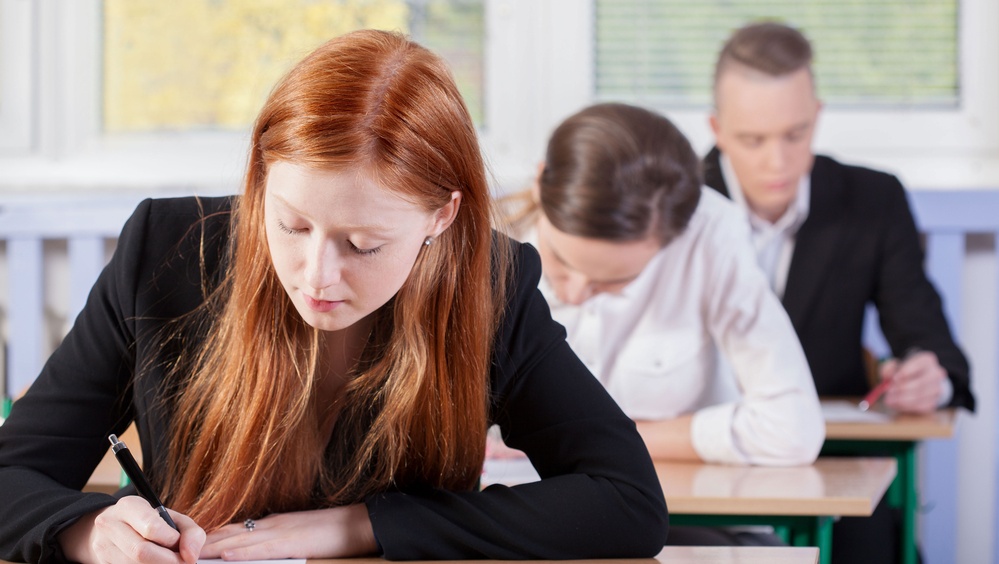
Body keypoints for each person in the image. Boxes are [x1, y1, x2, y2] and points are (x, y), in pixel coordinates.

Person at [0, 31, 668, 563]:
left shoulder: (490, 285)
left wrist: (356, 528)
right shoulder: (167, 250)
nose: (316, 275)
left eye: (363, 245)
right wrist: (90, 533)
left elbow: (627, 501)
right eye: (292, 225)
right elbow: (11, 476)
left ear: (441, 215)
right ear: (261, 180)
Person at [702, 21, 976, 563]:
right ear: (717, 129)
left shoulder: (873, 200)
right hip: (704, 458)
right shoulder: (671, 203)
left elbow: (932, 343)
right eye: (753, 140)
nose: (777, 162)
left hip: (831, 463)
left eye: (795, 134)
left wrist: (930, 377)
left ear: (818, 116)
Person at [499, 102, 824, 469]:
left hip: (673, 500)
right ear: (539, 183)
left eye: (613, 281)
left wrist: (600, 440)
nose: (572, 295)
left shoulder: (709, 235)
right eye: (559, 260)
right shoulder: (485, 235)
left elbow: (793, 428)